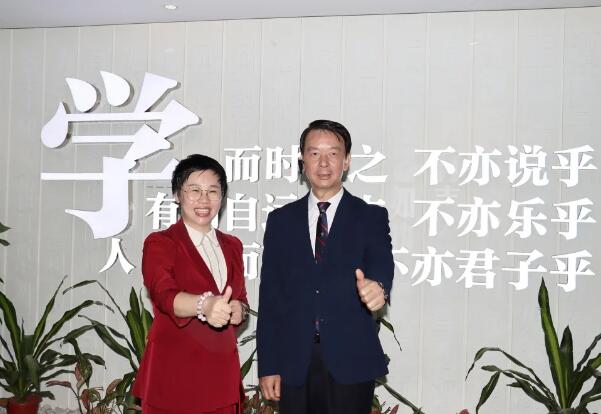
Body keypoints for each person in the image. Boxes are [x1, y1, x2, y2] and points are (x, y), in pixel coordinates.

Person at [257, 120, 394, 414]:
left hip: (350, 360)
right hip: (293, 362)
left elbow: (382, 264)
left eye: (333, 153)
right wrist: (268, 365)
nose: (323, 163)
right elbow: (270, 298)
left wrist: (379, 288)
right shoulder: (281, 221)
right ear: (302, 160)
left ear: (346, 161)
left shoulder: (370, 217)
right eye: (314, 153)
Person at [133, 154, 248, 414]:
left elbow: (240, 299)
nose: (204, 200)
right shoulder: (161, 243)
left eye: (212, 191)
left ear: (222, 197)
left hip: (222, 377)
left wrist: (238, 310)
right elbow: (164, 295)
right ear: (177, 195)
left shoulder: (233, 246)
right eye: (194, 190)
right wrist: (204, 305)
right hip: (174, 376)